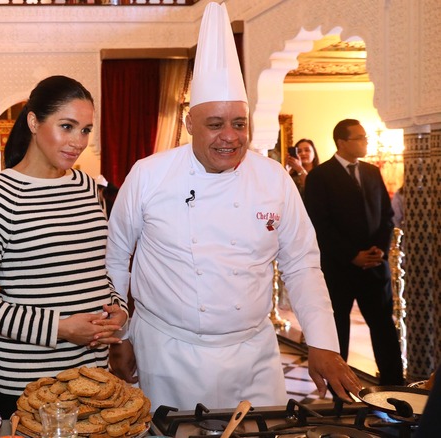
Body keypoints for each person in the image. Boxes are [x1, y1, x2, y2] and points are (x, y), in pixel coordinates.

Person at [105, 2, 360, 411]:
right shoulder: (149, 175)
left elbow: (301, 264)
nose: (230, 137)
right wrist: (121, 335)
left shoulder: (274, 178)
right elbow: (116, 258)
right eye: (215, 124)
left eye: (239, 123)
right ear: (189, 123)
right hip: (169, 349)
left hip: (253, 354)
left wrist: (323, 343)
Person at [0, 75, 129, 420]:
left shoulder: (86, 187)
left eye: (85, 130)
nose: (78, 141)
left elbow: (96, 268)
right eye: (67, 126)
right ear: (34, 121)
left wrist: (117, 307)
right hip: (28, 379)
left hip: (93, 373)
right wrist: (61, 328)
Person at [304, 118, 404, 386]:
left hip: (374, 267)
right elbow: (319, 225)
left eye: (365, 138)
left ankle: (395, 389)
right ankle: (340, 393)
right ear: (341, 142)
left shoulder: (372, 172)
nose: (365, 142)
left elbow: (386, 215)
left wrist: (379, 250)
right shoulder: (320, 176)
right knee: (338, 331)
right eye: (359, 138)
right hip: (340, 269)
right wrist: (352, 255)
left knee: (384, 329)